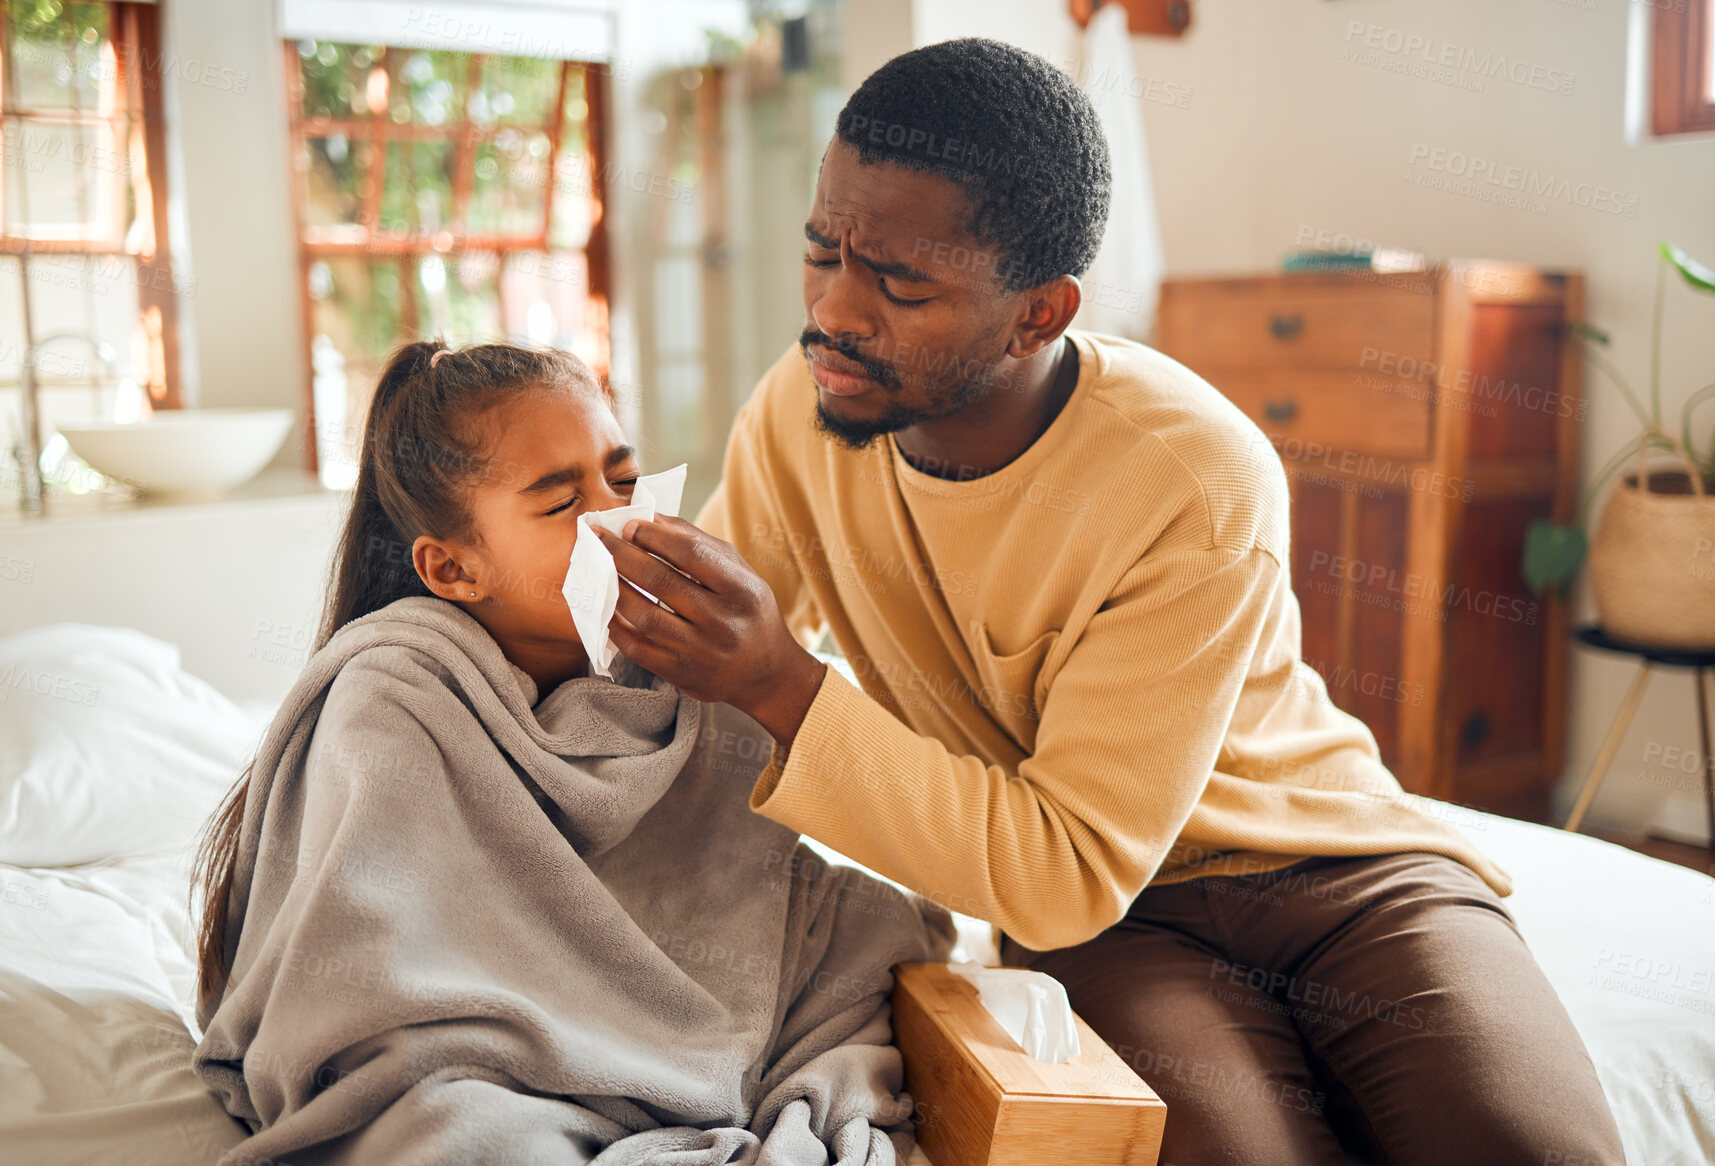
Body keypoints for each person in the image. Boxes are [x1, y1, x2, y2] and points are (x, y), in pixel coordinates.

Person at [589, 38, 1628, 1165]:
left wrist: (785, 686)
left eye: (897, 283)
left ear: (1039, 314)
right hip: (1120, 928)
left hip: (1340, 874)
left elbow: (1058, 856)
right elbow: (674, 659)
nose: (834, 311)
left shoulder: (1190, 473)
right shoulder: (801, 413)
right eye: (819, 250)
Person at [190, 339, 953, 1166]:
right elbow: (374, 978)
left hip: (700, 1034)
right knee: (461, 1140)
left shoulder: (693, 668)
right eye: (561, 505)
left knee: (870, 937)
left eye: (623, 481)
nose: (617, 519)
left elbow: (755, 896)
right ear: (451, 568)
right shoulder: (396, 695)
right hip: (470, 1063)